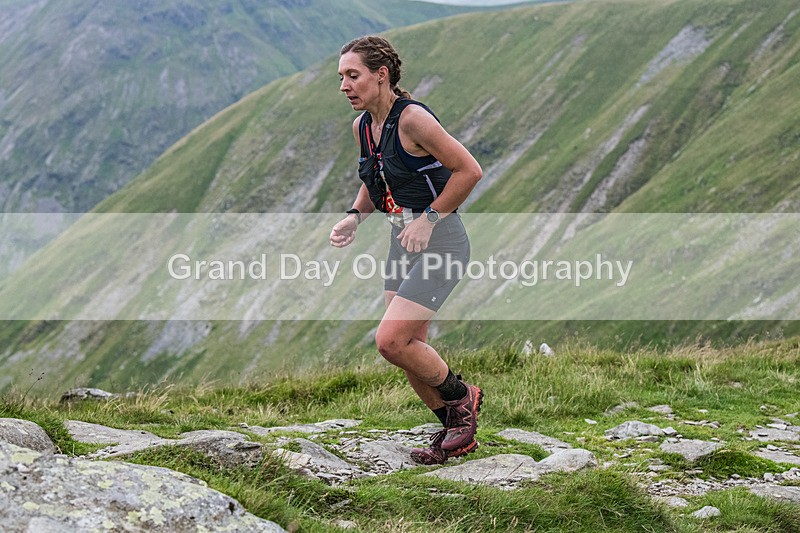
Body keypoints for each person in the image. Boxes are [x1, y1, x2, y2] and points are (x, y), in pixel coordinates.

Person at [329, 35, 483, 465]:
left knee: (391, 341)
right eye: (341, 77)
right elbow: (375, 177)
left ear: (382, 76)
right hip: (402, 241)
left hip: (441, 242)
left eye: (353, 75)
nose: (344, 85)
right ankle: (453, 432)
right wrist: (354, 216)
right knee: (409, 349)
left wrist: (428, 218)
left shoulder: (413, 120)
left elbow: (469, 170)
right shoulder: (363, 126)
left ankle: (463, 399)